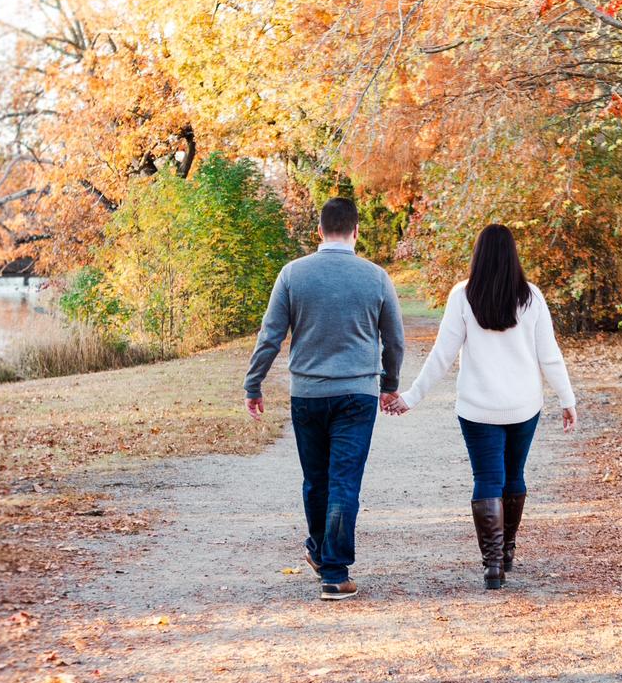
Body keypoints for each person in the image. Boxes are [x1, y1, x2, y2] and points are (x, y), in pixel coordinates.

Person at [387, 223, 576, 589]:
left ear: (478, 255)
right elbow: (549, 355)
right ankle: (506, 550)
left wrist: (412, 396)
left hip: (477, 408)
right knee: (514, 475)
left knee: (487, 479)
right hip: (523, 405)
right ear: (513, 256)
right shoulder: (531, 297)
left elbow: (442, 355)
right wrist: (566, 399)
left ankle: (492, 566)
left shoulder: (463, 295)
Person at [244, 196, 404, 600]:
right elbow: (395, 341)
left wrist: (254, 384)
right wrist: (389, 384)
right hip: (357, 395)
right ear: (356, 231)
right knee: (343, 481)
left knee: (316, 480)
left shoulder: (293, 274)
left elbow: (271, 335)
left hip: (308, 394)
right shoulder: (376, 277)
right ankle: (333, 571)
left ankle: (320, 551)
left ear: (319, 231)